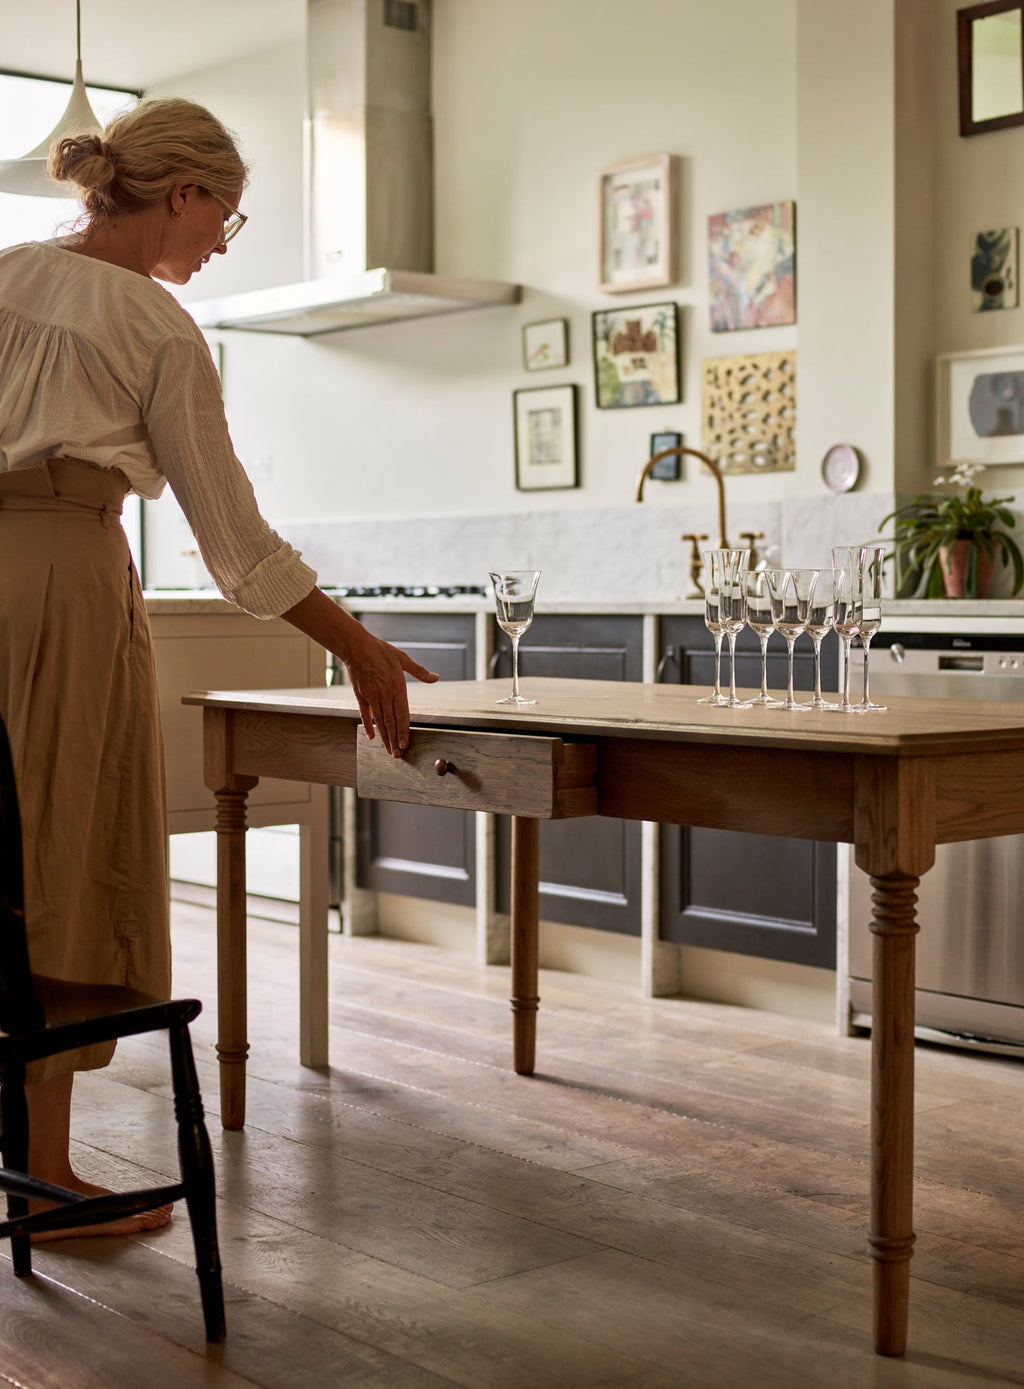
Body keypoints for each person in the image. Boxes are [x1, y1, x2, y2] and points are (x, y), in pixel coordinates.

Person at [0, 96, 438, 1239]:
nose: (216, 246)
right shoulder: (154, 325)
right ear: (182, 194)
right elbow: (236, 545)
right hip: (63, 586)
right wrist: (360, 650)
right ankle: (47, 1180)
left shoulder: (2, 274)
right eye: (225, 220)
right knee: (62, 846)